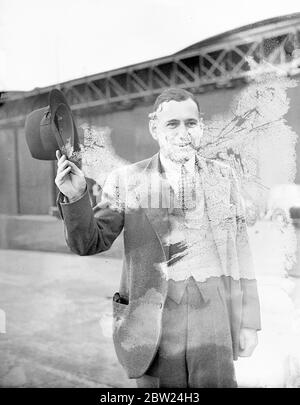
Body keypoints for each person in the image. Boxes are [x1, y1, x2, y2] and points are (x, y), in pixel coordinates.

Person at [55, 88, 261, 388]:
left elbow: (242, 252)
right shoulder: (126, 181)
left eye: (191, 123)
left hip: (215, 315)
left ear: (201, 126)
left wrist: (250, 324)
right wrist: (76, 197)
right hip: (154, 323)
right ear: (155, 128)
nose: (183, 132)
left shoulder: (223, 177)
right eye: (172, 124)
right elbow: (89, 242)